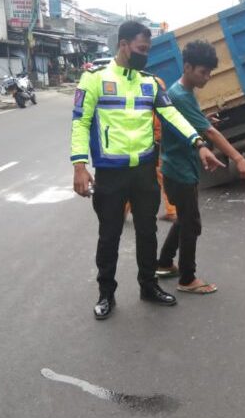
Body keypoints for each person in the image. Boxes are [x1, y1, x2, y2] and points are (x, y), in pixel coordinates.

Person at [71, 21, 225, 320]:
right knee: (109, 236)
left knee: (148, 232)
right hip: (110, 172)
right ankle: (106, 293)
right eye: (141, 49)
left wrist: (198, 142)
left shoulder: (150, 83)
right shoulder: (94, 80)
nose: (145, 55)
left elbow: (172, 116)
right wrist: (79, 166)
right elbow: (80, 123)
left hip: (144, 171)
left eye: (148, 50)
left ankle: (148, 286)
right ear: (124, 44)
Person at [155, 41, 245, 295]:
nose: (207, 77)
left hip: (176, 167)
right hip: (180, 170)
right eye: (203, 72)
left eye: (209, 73)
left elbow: (195, 123)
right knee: (191, 223)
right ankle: (187, 279)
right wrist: (239, 158)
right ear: (188, 67)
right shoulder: (180, 95)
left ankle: (165, 263)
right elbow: (210, 133)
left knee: (184, 217)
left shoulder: (181, 91)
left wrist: (204, 119)